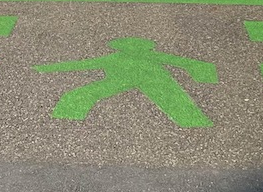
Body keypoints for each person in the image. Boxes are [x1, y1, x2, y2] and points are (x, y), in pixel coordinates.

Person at [36, 38, 218, 128]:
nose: (131, 50)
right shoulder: (116, 57)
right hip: (124, 80)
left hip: (154, 79)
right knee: (77, 95)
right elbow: (82, 65)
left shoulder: (150, 56)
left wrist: (206, 78)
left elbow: (193, 64)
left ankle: (195, 122)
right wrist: (47, 68)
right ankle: (67, 121)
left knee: (179, 102)